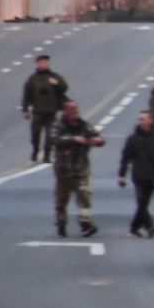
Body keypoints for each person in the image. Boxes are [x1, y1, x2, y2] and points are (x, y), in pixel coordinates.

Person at [49, 100, 104, 238]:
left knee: (84, 196)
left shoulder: (83, 125)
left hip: (80, 169)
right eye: (71, 109)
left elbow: (99, 138)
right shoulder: (58, 126)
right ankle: (61, 222)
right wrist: (74, 139)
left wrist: (97, 140)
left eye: (76, 108)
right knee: (61, 200)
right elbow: (54, 139)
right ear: (65, 111)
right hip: (64, 171)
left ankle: (85, 224)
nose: (75, 111)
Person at [116, 110, 154, 238]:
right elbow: (125, 158)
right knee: (142, 202)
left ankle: (134, 227)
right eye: (140, 119)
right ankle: (150, 227)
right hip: (138, 175)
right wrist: (121, 175)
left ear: (150, 121)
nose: (141, 121)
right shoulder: (132, 139)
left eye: (144, 119)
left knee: (144, 203)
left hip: (151, 176)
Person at [20, 54, 69, 162]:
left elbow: (64, 87)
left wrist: (57, 84)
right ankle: (35, 150)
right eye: (42, 62)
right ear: (37, 64)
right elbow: (26, 94)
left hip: (51, 111)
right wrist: (25, 109)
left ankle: (47, 155)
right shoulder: (33, 79)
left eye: (46, 62)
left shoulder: (54, 76)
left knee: (50, 135)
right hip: (38, 112)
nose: (44, 64)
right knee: (35, 134)